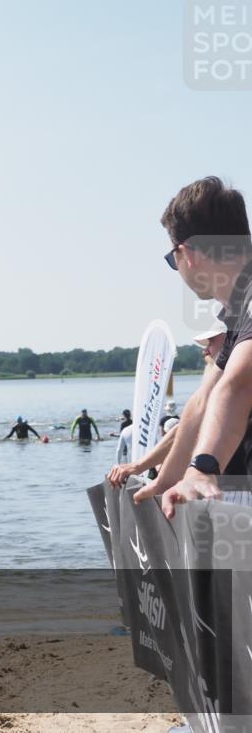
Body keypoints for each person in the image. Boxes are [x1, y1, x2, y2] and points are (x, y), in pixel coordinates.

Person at [135, 176, 252, 516]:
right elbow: (204, 400)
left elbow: (239, 385)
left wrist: (201, 469)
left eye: (173, 260)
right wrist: (167, 479)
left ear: (188, 254)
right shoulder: (237, 311)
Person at [108, 324, 229, 486]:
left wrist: (139, 467)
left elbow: (188, 430)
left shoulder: (233, 384)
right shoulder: (224, 383)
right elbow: (187, 429)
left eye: (211, 342)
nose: (205, 351)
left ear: (230, 341)